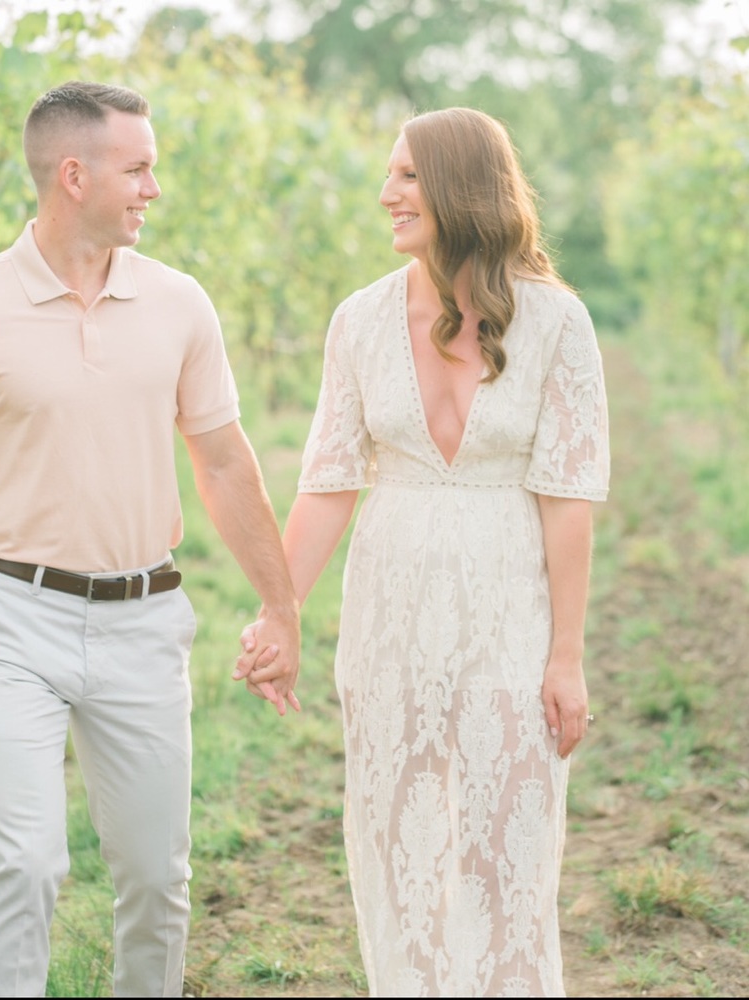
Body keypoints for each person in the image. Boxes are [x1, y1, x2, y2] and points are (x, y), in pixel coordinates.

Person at [0, 80, 301, 999]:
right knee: (24, 866)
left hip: (144, 622)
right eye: (139, 168)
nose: (154, 187)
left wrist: (281, 605)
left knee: (157, 880)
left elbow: (226, 465)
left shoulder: (181, 305)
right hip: (11, 621)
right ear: (74, 175)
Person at [238, 107, 610, 996]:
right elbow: (328, 484)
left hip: (507, 604)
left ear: (459, 186)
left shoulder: (558, 322)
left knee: (510, 849)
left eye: (407, 176)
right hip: (390, 607)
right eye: (389, 174)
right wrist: (278, 614)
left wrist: (566, 658)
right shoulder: (358, 321)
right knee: (398, 841)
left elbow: (568, 500)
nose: (386, 194)